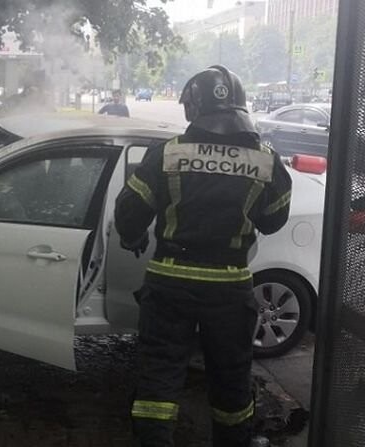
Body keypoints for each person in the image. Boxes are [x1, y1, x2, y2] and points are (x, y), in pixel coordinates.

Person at [114, 65, 292, 447]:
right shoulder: (264, 160)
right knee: (231, 381)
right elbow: (275, 219)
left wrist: (132, 239)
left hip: (170, 283)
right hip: (229, 288)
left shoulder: (167, 153)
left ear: (192, 108)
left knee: (158, 382)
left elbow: (128, 213)